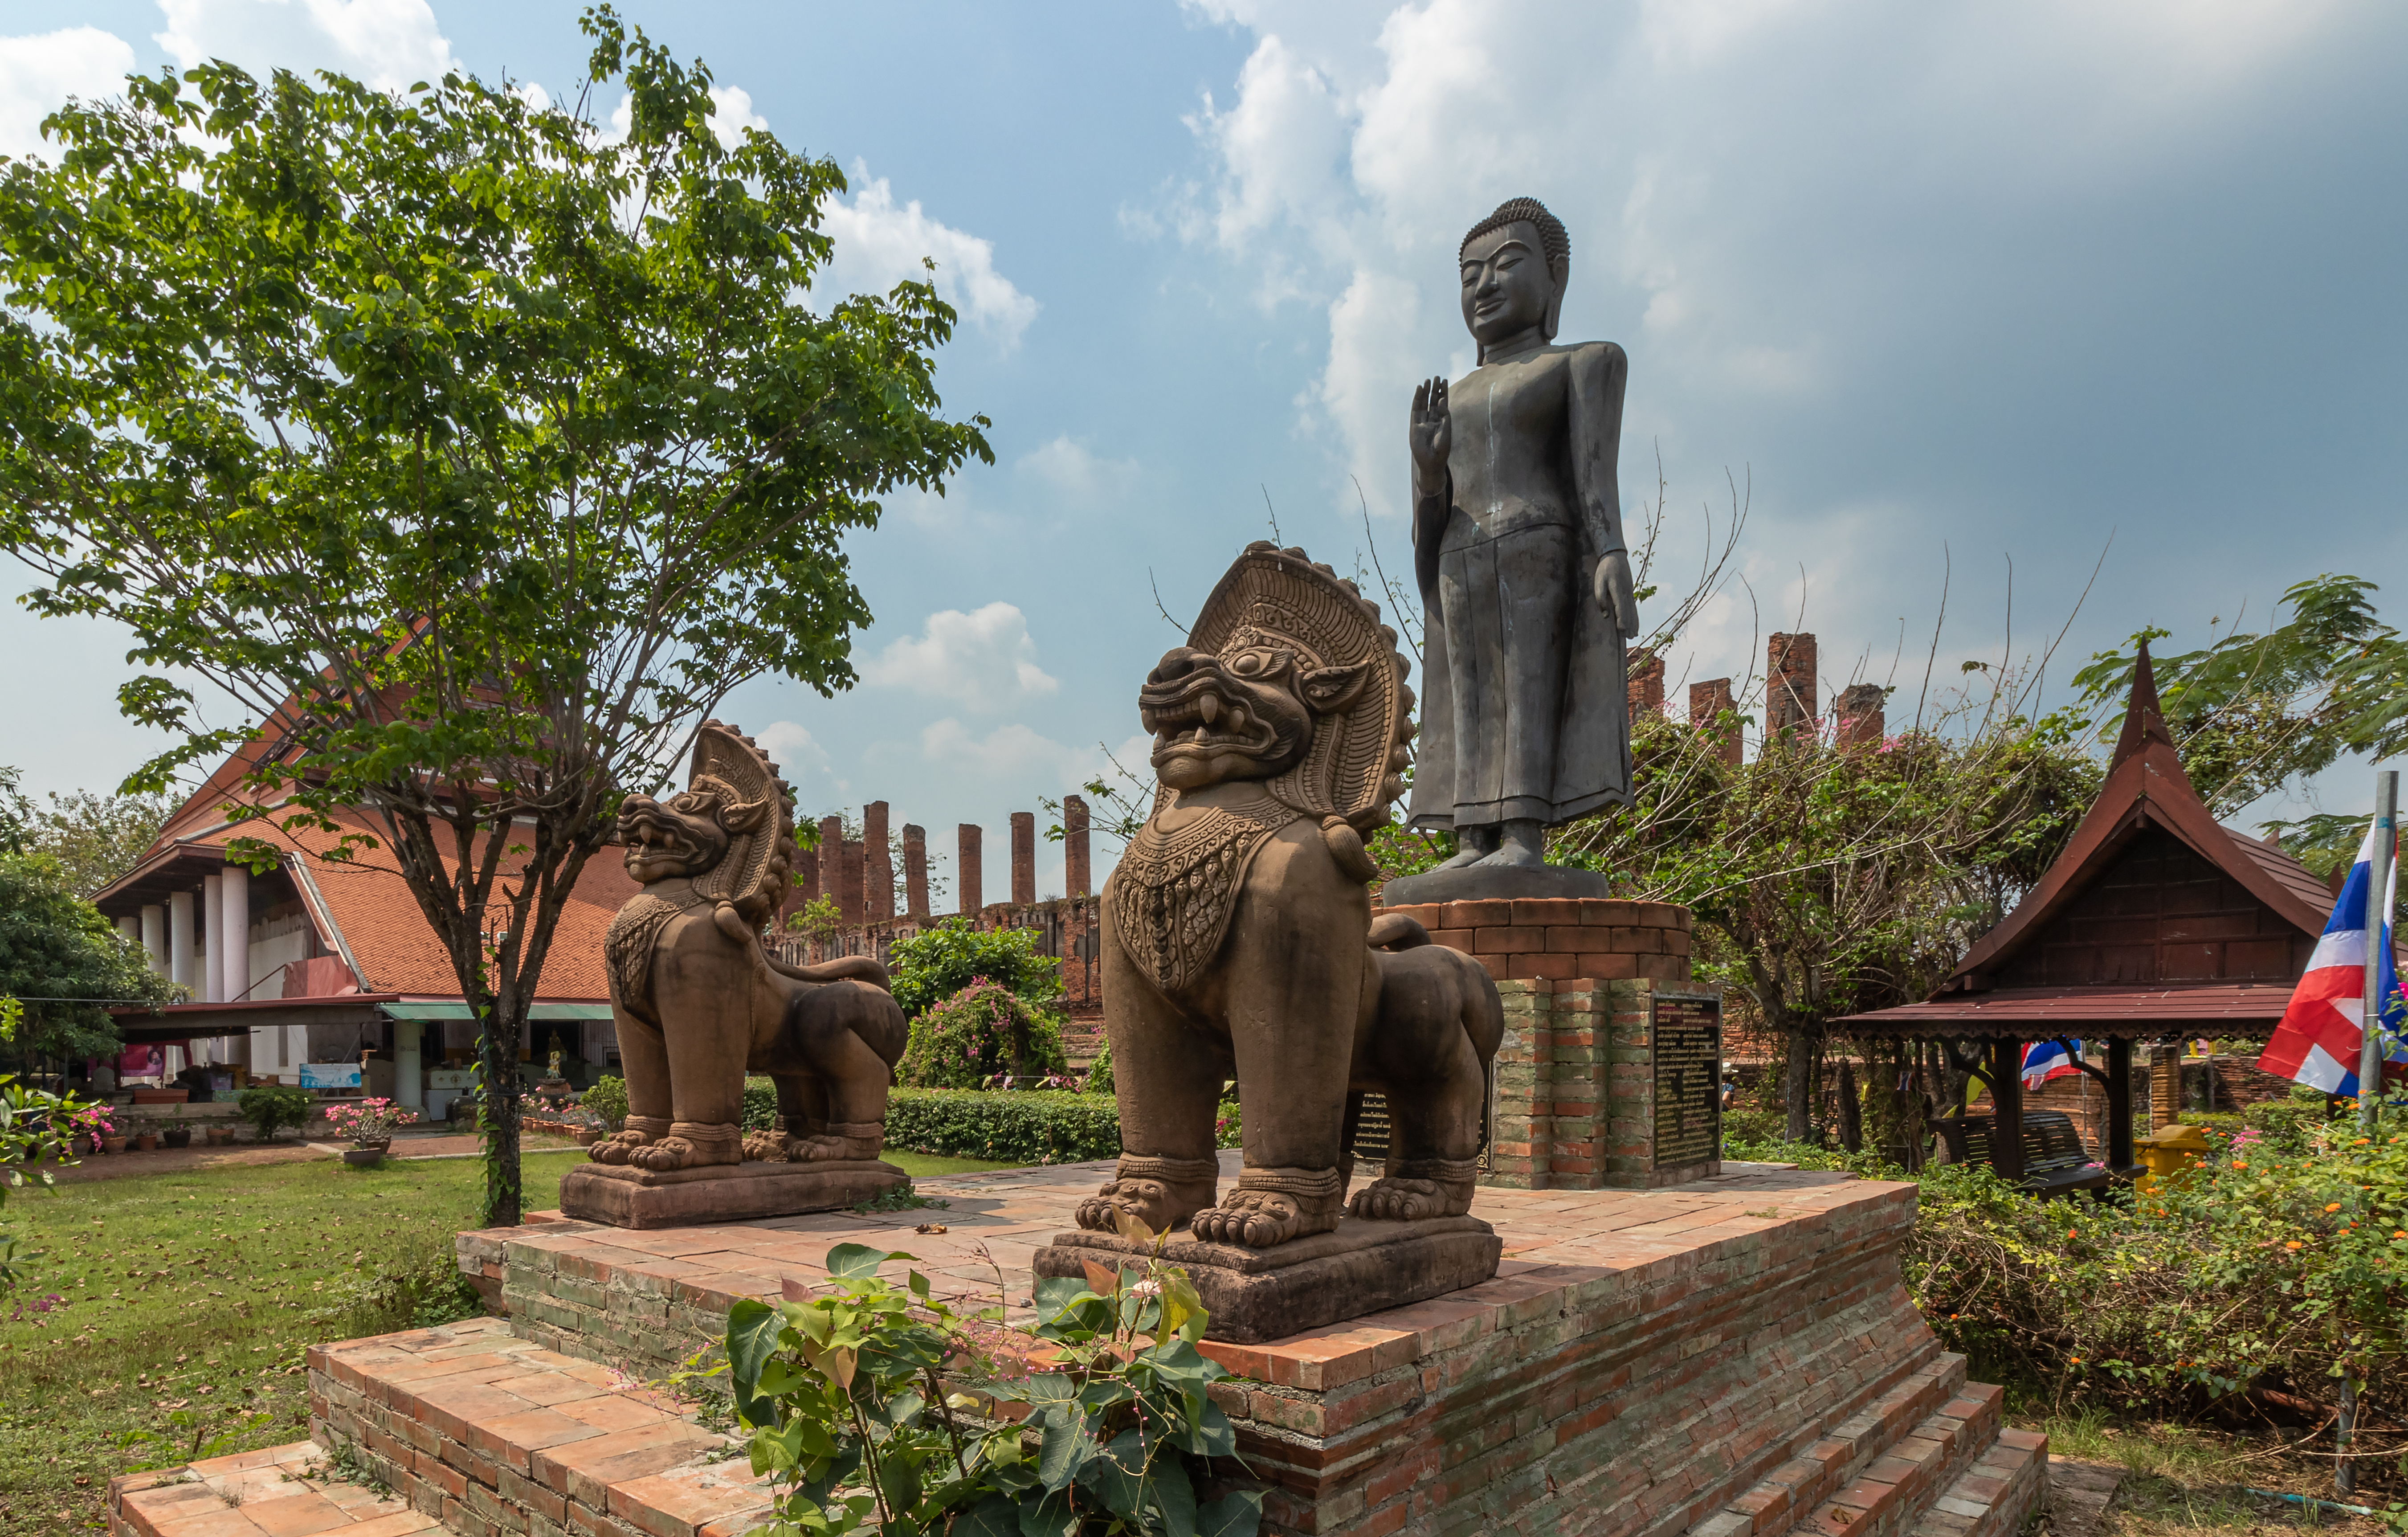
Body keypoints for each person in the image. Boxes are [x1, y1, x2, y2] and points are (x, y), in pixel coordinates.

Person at [1408, 196, 1638, 869]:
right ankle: (1470, 834)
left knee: (1527, 686)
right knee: (1469, 696)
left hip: (1538, 543)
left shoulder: (1582, 363)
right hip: (1458, 551)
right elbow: (1429, 510)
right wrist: (1426, 470)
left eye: (1506, 264)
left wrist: (1610, 552)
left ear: (1555, 277)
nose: (1483, 285)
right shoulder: (1446, 395)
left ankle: (1521, 833)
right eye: (1469, 272)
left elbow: (1594, 473)